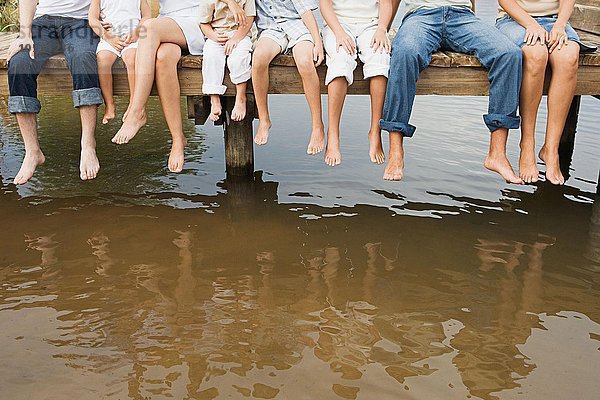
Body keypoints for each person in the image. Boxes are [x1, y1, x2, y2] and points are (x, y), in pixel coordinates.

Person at [380, 0, 524, 183]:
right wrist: (384, 29)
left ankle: (497, 153)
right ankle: (395, 149)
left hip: (461, 16)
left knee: (509, 54)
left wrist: (472, 20)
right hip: (421, 17)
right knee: (405, 52)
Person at [7, 0, 104, 184]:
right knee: (19, 62)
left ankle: (88, 144)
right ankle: (32, 151)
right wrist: (25, 34)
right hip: (43, 22)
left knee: (83, 57)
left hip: (81, 22)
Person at [111, 0, 205, 173]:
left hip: (199, 21)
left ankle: (137, 110)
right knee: (163, 57)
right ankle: (178, 138)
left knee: (149, 28)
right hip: (168, 23)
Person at [496, 0, 580, 185]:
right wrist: (531, 24)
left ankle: (551, 149)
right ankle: (527, 145)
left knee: (569, 57)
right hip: (514, 20)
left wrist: (560, 24)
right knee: (536, 54)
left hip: (554, 20)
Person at [320, 0, 393, 167]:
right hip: (338, 23)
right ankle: (333, 135)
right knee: (340, 60)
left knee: (380, 57)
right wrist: (338, 32)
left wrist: (382, 28)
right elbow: (324, 4)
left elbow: (386, 2)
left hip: (371, 24)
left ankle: (375, 131)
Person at [252, 0, 326, 155]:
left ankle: (317, 126)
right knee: (258, 58)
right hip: (270, 29)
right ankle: (264, 119)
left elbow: (306, 12)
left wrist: (318, 42)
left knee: (305, 61)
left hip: (298, 26)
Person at [89, 0, 152, 125]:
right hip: (110, 37)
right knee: (103, 60)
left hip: (132, 37)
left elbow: (147, 16)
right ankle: (109, 105)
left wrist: (137, 32)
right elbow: (92, 19)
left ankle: (134, 104)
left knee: (132, 58)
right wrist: (107, 36)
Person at [200, 0, 255, 123]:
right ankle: (214, 98)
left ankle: (241, 97)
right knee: (211, 56)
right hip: (217, 34)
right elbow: (204, 24)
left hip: (240, 34)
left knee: (239, 57)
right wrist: (214, 36)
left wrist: (236, 39)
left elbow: (249, 19)